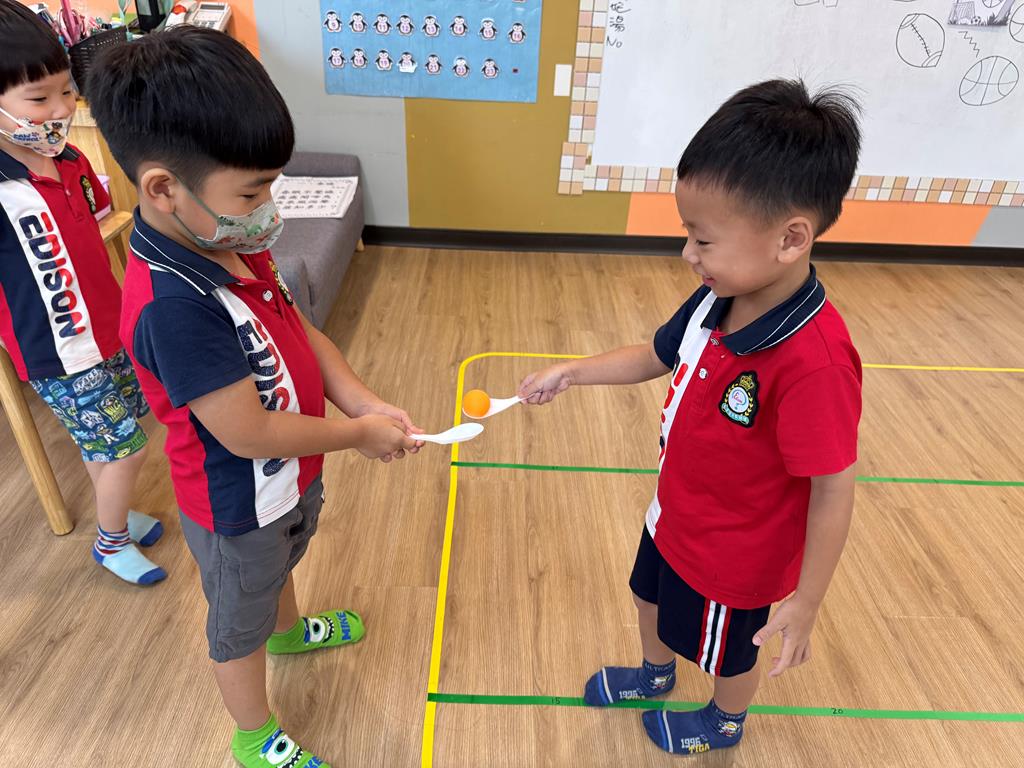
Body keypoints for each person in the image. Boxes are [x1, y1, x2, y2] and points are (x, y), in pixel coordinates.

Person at [89, 26, 422, 768]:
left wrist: (360, 401)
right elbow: (246, 432)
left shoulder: (228, 240)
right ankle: (252, 735)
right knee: (238, 622)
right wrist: (357, 436)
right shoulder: (173, 306)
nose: (267, 208)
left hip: (287, 481)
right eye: (251, 191)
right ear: (163, 189)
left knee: (283, 564)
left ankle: (289, 632)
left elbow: (301, 332)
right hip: (237, 505)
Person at [518, 79, 863, 756]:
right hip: (673, 511)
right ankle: (655, 674)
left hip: (738, 553)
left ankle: (725, 720)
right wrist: (574, 371)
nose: (688, 254)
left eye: (703, 239)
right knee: (646, 595)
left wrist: (808, 600)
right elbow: (656, 353)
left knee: (733, 650)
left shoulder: (815, 361)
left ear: (791, 238)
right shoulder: (716, 296)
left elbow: (833, 488)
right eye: (688, 234)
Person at [0, 0, 164, 585]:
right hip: (57, 351)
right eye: (38, 99)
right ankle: (110, 541)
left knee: (116, 437)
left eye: (67, 91)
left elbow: (100, 219)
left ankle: (114, 511)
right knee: (125, 448)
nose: (62, 108)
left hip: (107, 328)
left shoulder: (69, 159)